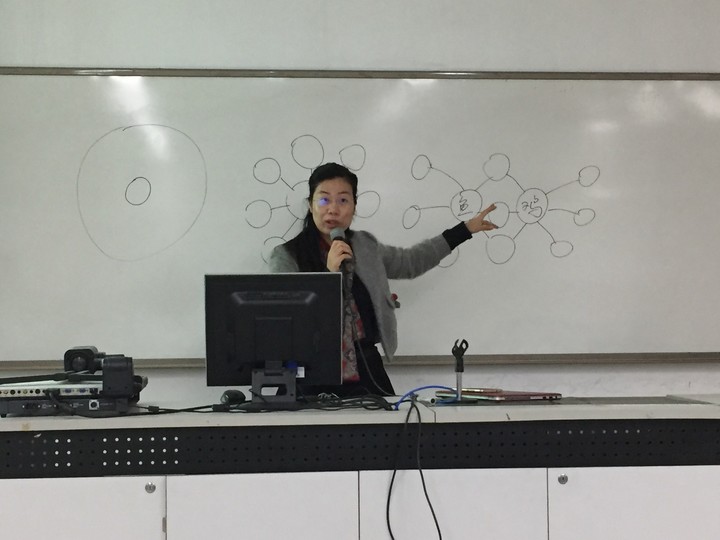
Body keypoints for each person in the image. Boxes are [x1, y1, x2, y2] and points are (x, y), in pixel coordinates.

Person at [268, 162, 497, 397]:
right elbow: (288, 323)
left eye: (343, 200)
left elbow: (410, 262)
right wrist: (330, 274)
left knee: (395, 418)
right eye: (324, 199)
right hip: (309, 371)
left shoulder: (365, 246)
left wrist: (464, 230)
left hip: (365, 368)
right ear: (310, 205)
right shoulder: (286, 256)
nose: (333, 209)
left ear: (354, 208)